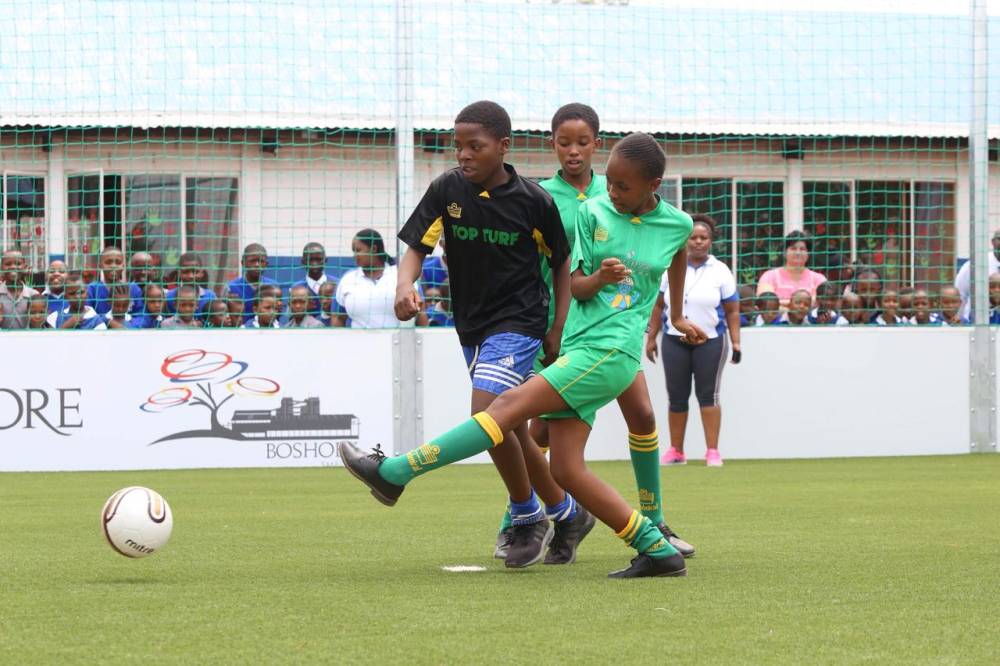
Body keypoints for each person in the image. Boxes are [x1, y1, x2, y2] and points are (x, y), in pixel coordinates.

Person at [341, 132, 705, 578]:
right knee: (567, 469)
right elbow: (577, 284)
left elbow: (676, 259)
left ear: (655, 184)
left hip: (610, 352)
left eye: (623, 186)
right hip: (580, 347)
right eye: (608, 182)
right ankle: (654, 548)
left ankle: (396, 472)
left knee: (505, 410)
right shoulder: (593, 212)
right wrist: (602, 281)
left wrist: (679, 315)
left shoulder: (678, 225)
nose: (611, 191)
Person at [371, 100, 580, 569]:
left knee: (486, 413)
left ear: (502, 148)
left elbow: (562, 263)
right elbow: (415, 248)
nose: (463, 155)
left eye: (474, 146)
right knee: (510, 427)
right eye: (458, 146)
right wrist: (405, 287)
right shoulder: (447, 189)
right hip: (472, 325)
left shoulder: (534, 201)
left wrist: (558, 327)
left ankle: (526, 516)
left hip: (521, 322)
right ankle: (567, 511)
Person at [494, 103, 694, 562]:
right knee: (536, 430)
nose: (573, 151)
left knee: (642, 414)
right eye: (564, 142)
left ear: (597, 145)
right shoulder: (541, 195)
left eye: (582, 142)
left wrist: (676, 314)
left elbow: (672, 242)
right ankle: (525, 512)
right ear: (552, 145)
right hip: (557, 324)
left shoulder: (621, 189)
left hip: (612, 334)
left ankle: (654, 521)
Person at [648, 213, 740, 468]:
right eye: (693, 237)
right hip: (674, 339)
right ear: (685, 240)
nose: (698, 242)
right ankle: (676, 451)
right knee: (676, 396)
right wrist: (651, 338)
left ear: (710, 241)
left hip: (710, 340)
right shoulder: (671, 266)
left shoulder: (720, 270)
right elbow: (658, 307)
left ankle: (712, 451)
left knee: (708, 395)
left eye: (704, 238)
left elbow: (732, 310)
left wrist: (736, 343)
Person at [336, 229, 428, 329]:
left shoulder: (402, 275)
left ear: (374, 249)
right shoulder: (348, 280)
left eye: (358, 250)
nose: (355, 255)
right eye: (354, 251)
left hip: (399, 342)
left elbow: (421, 314)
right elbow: (338, 318)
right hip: (358, 343)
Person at [756, 230, 827, 307]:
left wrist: (783, 304)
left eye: (802, 249)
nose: (798, 253)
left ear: (808, 253)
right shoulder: (769, 276)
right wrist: (803, 305)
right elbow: (765, 304)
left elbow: (822, 304)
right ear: (784, 252)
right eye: (793, 248)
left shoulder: (819, 279)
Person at [954, 229, 1000, 319]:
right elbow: (960, 294)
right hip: (976, 322)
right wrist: (959, 323)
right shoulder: (976, 264)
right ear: (993, 242)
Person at [228, 243, 278, 325]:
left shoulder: (273, 286)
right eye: (252, 261)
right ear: (243, 263)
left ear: (266, 264)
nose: (257, 265)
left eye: (261, 261)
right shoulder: (231, 287)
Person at [292, 242, 338, 318]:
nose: (314, 263)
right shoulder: (296, 288)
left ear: (325, 260)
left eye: (318, 259)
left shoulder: (337, 284)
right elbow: (291, 318)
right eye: (310, 259)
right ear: (303, 261)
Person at [165, 253, 216, 318]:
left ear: (202, 273)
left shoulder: (210, 296)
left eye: (195, 272)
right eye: (186, 272)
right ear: (179, 273)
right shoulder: (170, 297)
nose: (190, 276)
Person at [0, 249, 37, 329]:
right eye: (8, 264)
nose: (13, 267)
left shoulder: (34, 295)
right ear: (1, 267)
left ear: (24, 267)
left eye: (18, 264)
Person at [86, 246, 126, 316]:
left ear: (123, 265)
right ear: (100, 265)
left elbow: (141, 315)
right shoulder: (92, 289)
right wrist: (107, 321)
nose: (113, 266)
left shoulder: (133, 289)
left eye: (118, 262)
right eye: (108, 262)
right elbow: (87, 315)